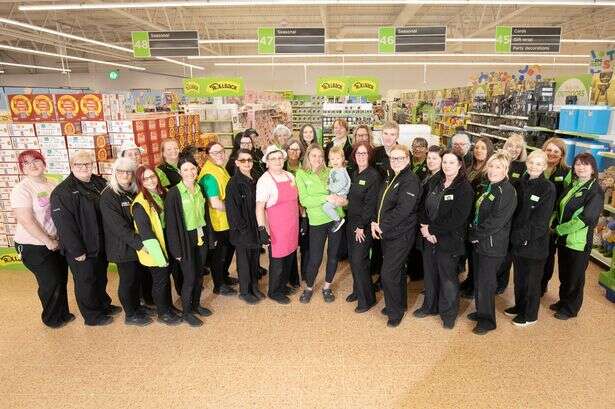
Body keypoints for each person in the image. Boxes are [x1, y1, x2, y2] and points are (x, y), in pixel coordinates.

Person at [50, 150, 119, 326]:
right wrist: (76, 250)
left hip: (100, 242)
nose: (83, 167)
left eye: (87, 163)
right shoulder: (62, 192)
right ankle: (92, 316)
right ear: (71, 166)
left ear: (92, 164)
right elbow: (64, 225)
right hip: (81, 247)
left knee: (100, 276)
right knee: (86, 281)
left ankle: (103, 304)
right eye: (78, 164)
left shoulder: (100, 182)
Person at [11, 150, 72, 328]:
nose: (32, 165)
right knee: (50, 281)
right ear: (22, 169)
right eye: (26, 163)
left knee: (61, 278)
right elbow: (26, 220)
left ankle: (63, 314)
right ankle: (51, 319)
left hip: (56, 241)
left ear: (43, 163)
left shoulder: (53, 184)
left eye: (36, 160)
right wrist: (47, 240)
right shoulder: (21, 189)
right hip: (33, 245)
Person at [413, 150, 473, 329]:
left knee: (448, 278)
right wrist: (425, 228)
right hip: (427, 237)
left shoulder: (464, 188)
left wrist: (432, 229)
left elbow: (457, 218)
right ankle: (429, 307)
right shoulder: (434, 181)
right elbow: (422, 206)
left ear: (460, 164)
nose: (447, 166)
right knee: (430, 275)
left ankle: (448, 314)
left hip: (449, 240)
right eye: (444, 162)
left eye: (451, 162)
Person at [371, 144, 421, 327]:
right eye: (393, 158)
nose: (396, 161)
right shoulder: (391, 176)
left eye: (400, 158)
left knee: (388, 273)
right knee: (397, 271)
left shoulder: (410, 180)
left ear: (407, 159)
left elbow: (403, 210)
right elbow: (383, 203)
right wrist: (375, 223)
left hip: (401, 234)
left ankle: (395, 312)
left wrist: (381, 226)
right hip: (388, 233)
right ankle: (398, 304)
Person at [467, 151, 517, 335]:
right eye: (491, 166)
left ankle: (487, 321)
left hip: (492, 244)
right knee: (479, 280)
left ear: (506, 170)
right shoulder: (489, 186)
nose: (493, 170)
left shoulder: (507, 191)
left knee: (487, 283)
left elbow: (497, 220)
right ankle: (481, 312)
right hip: (480, 242)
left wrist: (475, 234)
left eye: (498, 167)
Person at [100, 158, 155, 326]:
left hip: (136, 245)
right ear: (115, 173)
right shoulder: (109, 196)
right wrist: (140, 244)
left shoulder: (134, 191)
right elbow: (118, 227)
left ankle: (137, 307)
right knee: (128, 281)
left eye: (129, 172)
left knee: (137, 279)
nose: (125, 175)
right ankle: (130, 314)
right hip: (123, 247)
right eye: (121, 171)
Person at [506, 150, 555, 327]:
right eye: (531, 162)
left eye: (538, 164)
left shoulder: (547, 187)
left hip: (535, 243)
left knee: (532, 281)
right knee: (519, 278)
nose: (534, 166)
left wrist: (525, 238)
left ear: (544, 166)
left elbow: (541, 221)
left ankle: (530, 315)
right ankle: (519, 307)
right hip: (517, 240)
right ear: (527, 163)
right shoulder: (520, 183)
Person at [551, 153, 603, 320]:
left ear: (593, 169)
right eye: (578, 164)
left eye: (585, 164)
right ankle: (563, 301)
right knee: (565, 273)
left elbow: (586, 218)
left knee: (575, 276)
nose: (581, 167)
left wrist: (559, 229)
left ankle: (571, 308)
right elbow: (561, 207)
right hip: (564, 240)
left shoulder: (595, 190)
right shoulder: (574, 185)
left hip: (578, 242)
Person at [165, 155, 213, 327]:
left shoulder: (200, 189)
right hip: (184, 240)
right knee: (190, 277)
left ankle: (196, 305)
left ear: (197, 169)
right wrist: (176, 250)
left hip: (200, 236)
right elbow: (171, 225)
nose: (190, 172)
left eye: (192, 168)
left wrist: (210, 237)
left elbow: (206, 216)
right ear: (179, 172)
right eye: (185, 169)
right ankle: (186, 312)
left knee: (199, 274)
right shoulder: (173, 194)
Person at [132, 165, 182, 326]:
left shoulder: (162, 194)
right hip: (155, 250)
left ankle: (169, 307)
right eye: (145, 179)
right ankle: (163, 313)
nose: (150, 180)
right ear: (140, 182)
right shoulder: (140, 203)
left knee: (166, 279)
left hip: (167, 244)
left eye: (152, 176)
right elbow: (146, 234)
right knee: (160, 281)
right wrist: (160, 257)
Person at [296, 144, 346, 304]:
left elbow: (341, 191)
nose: (317, 159)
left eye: (320, 156)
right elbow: (304, 200)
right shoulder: (301, 173)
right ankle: (309, 287)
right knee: (315, 258)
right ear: (308, 157)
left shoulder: (330, 171)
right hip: (317, 221)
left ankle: (327, 287)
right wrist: (325, 198)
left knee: (333, 256)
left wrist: (342, 200)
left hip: (336, 218)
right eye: (313, 156)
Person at [256, 145, 300, 304]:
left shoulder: (290, 176)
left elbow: (296, 200)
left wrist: (303, 219)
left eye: (280, 158)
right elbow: (260, 207)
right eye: (273, 158)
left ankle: (282, 286)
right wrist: (262, 228)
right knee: (278, 261)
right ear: (267, 162)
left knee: (289, 256)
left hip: (292, 224)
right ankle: (274, 291)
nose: (277, 161)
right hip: (276, 228)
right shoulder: (264, 181)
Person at [198, 141, 238, 296]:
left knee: (227, 252)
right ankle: (219, 284)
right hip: (218, 222)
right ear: (208, 156)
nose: (220, 155)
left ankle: (224, 276)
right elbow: (215, 203)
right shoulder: (209, 176)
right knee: (219, 255)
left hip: (226, 220)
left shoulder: (219, 168)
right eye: (215, 153)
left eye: (221, 151)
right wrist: (235, 211)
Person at [345, 142, 381, 313]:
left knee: (360, 261)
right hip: (350, 223)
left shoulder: (373, 175)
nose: (361, 156)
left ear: (369, 156)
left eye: (364, 153)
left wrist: (361, 226)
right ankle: (357, 291)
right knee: (353, 260)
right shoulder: (354, 173)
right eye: (358, 153)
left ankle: (367, 300)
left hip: (363, 225)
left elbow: (370, 204)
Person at [225, 149, 264, 305]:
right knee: (244, 261)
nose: (247, 163)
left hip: (255, 227)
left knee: (255, 259)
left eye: (249, 160)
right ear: (236, 163)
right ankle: (244, 291)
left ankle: (254, 286)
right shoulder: (234, 183)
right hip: (242, 231)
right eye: (243, 160)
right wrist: (243, 229)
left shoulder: (255, 178)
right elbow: (232, 211)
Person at [459, 136, 495, 299]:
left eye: (483, 148)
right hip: (466, 216)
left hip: (478, 217)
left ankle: (474, 285)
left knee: (476, 254)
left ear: (489, 151)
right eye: (477, 147)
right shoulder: (469, 167)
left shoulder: (489, 171)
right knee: (469, 251)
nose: (479, 151)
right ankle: (469, 280)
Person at [495, 133, 528, 293]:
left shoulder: (523, 168)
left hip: (512, 214)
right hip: (496, 211)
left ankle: (501, 283)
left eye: (518, 147)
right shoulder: (499, 162)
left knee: (506, 252)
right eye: (510, 146)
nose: (514, 150)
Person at [541, 137, 572, 296]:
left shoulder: (566, 172)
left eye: (556, 151)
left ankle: (543, 283)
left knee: (548, 253)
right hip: (535, 218)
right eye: (549, 150)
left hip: (552, 221)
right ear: (543, 150)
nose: (552, 154)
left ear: (562, 155)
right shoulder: (537, 167)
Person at [284, 138, 309, 286]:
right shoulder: (281, 167)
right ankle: (292, 278)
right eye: (291, 149)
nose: (294, 152)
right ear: (286, 150)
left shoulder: (305, 168)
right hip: (288, 213)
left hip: (305, 212)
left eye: (297, 149)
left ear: (301, 152)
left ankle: (306, 274)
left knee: (305, 245)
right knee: (291, 245)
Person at [323, 145, 351, 233]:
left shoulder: (342, 171)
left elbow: (340, 184)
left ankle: (338, 219)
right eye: (332, 159)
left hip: (340, 195)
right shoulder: (333, 170)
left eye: (337, 158)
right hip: (334, 193)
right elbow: (330, 180)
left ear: (342, 158)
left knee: (326, 207)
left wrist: (329, 187)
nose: (335, 161)